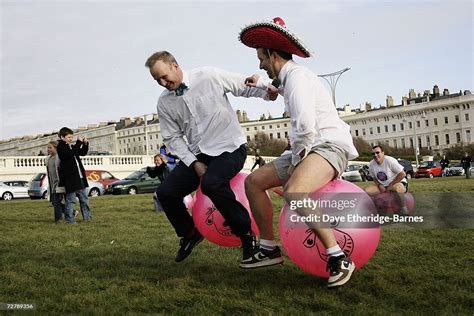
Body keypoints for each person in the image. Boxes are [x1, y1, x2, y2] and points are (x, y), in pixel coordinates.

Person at [239, 17, 359, 288]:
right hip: (310, 147)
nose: (259, 63)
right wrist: (260, 85)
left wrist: (296, 161)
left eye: (261, 57)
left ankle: (339, 257)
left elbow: (305, 126)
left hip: (329, 145)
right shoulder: (291, 79)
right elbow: (281, 90)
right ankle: (268, 248)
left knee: (295, 190)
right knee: (254, 182)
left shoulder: (299, 78)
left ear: (271, 53)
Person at [145, 51, 277, 263]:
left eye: (163, 76)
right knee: (166, 193)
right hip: (199, 155)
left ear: (175, 65)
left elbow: (242, 85)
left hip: (230, 148)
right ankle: (190, 233)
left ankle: (247, 238)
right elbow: (173, 138)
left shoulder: (208, 75)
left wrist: (267, 92)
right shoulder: (164, 103)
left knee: (212, 183)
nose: (162, 82)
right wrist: (194, 163)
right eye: (156, 80)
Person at [57, 127, 92, 224]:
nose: (70, 139)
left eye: (71, 137)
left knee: (84, 199)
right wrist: (78, 143)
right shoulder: (61, 147)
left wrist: (85, 144)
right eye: (68, 137)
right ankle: (70, 220)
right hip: (71, 179)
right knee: (71, 200)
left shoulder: (71, 146)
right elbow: (70, 154)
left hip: (80, 177)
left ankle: (87, 218)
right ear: (62, 137)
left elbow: (82, 153)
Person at [365, 145, 408, 214]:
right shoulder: (371, 164)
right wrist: (379, 185)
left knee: (397, 188)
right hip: (383, 186)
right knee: (367, 191)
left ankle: (403, 209)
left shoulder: (390, 161)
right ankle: (377, 210)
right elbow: (374, 177)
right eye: (373, 154)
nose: (375, 155)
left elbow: (402, 174)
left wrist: (390, 185)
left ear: (383, 153)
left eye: (377, 152)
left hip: (396, 183)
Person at [45, 140, 65, 223]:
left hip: (59, 184)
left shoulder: (59, 157)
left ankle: (58, 220)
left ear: (55, 148)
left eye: (50, 147)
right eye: (48, 148)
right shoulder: (48, 159)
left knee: (56, 202)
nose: (48, 149)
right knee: (55, 202)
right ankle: (73, 212)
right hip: (52, 184)